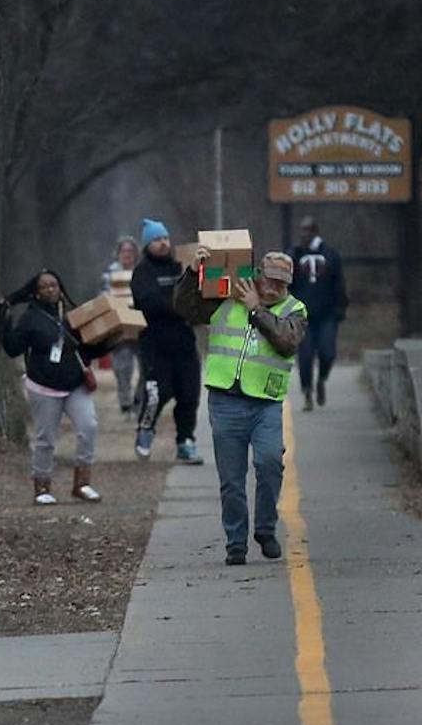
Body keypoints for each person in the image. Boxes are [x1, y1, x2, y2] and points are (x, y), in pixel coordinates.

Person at [174, 249, 307, 566]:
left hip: (266, 402)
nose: (274, 286)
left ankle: (265, 528)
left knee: (270, 463)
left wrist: (256, 309)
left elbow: (287, 341)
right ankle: (235, 542)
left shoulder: (295, 308)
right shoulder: (229, 290)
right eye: (269, 279)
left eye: (281, 282)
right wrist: (193, 274)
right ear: (257, 272)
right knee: (231, 480)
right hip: (225, 399)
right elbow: (185, 309)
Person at [0, 270, 109, 505]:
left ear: (61, 289)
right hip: (44, 387)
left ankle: (82, 483)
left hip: (75, 384)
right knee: (45, 438)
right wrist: (3, 323)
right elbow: (13, 348)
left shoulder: (71, 316)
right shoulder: (30, 319)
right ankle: (42, 486)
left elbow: (86, 349)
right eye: (45, 287)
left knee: (88, 426)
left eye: (54, 285)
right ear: (36, 294)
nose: (51, 289)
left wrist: (110, 340)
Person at [131, 218, 203, 464]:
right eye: (156, 240)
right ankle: (146, 429)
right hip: (155, 345)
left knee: (189, 395)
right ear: (147, 244)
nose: (163, 243)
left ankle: (185, 441)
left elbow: (196, 290)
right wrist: (182, 308)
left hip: (184, 343)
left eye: (165, 238)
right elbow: (150, 303)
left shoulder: (180, 266)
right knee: (157, 394)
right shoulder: (142, 272)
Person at [289, 215, 347, 411]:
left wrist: (341, 306)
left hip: (326, 314)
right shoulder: (296, 254)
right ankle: (307, 392)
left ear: (315, 231)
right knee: (305, 357)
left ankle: (322, 379)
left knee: (327, 352)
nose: (304, 234)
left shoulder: (330, 254)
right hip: (303, 316)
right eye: (302, 230)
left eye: (308, 230)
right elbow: (287, 281)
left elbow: (339, 282)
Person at [102, 236, 141, 414]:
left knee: (146, 367)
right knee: (122, 368)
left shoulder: (141, 272)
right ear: (118, 254)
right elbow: (103, 298)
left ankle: (139, 400)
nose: (127, 255)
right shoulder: (109, 275)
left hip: (141, 326)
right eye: (124, 251)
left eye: (130, 251)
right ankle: (125, 402)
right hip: (119, 328)